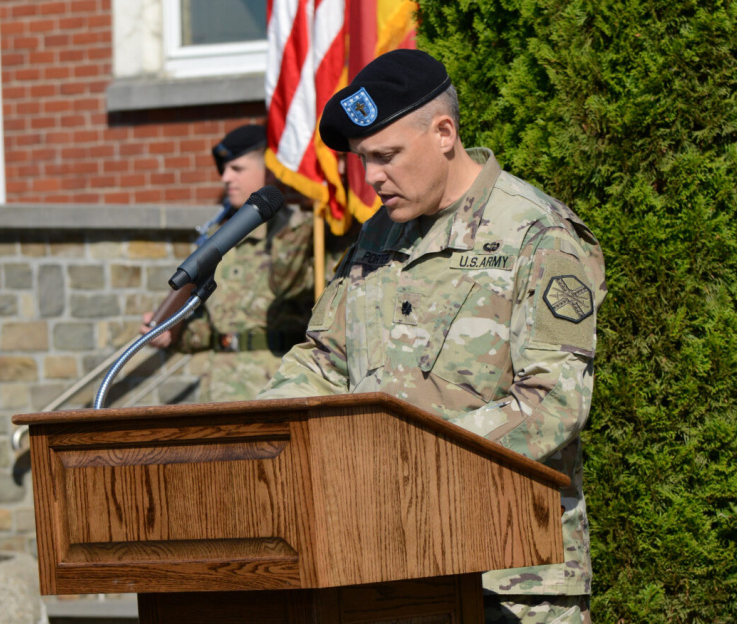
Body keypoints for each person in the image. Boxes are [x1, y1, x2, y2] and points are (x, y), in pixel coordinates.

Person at [256, 50, 606, 624]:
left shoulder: (536, 233)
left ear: (444, 133)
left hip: (507, 575)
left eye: (386, 156)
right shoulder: (376, 237)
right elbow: (323, 360)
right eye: (364, 160)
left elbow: (553, 402)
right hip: (386, 565)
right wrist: (261, 443)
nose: (371, 177)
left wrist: (410, 463)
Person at [141, 124, 314, 402]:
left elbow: (299, 295)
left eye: (237, 169)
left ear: (268, 170)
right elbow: (209, 328)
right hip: (219, 389)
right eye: (224, 169)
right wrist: (172, 330)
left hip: (275, 386)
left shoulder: (300, 233)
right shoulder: (217, 239)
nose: (225, 177)